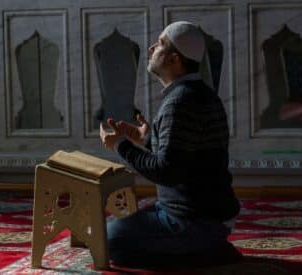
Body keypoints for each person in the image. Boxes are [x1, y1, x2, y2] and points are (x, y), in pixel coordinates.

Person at [99, 21, 241, 268]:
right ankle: (207, 248)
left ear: (174, 60)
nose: (152, 47)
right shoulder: (199, 93)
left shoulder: (179, 102)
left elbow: (167, 171)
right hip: (203, 215)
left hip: (192, 221)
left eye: (160, 44)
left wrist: (120, 145)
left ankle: (207, 253)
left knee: (110, 241)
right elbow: (187, 158)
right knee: (113, 232)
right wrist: (145, 139)